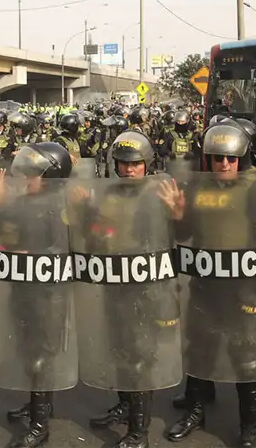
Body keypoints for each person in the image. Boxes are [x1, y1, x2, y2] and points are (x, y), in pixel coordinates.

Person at [159, 123, 256, 447]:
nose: (223, 164)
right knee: (201, 350)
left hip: (245, 287)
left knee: (247, 357)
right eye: (216, 158)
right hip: (206, 284)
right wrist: (178, 214)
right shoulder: (199, 188)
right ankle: (196, 411)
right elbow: (184, 235)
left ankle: (248, 427)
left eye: (230, 158)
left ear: (241, 158)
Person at [81, 130, 180, 448]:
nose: (128, 170)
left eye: (135, 164)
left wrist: (176, 214)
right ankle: (125, 407)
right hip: (116, 286)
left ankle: (140, 432)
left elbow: (182, 239)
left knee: (139, 359)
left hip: (147, 289)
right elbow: (96, 236)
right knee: (120, 351)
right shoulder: (108, 194)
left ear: (147, 164)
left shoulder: (160, 192)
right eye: (123, 164)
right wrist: (87, 212)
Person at [0, 142, 74, 448]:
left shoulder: (61, 207)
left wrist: (32, 254)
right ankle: (40, 403)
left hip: (48, 294)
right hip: (23, 289)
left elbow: (64, 249)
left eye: (34, 174)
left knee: (41, 356)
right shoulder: (23, 202)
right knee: (27, 351)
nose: (26, 178)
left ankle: (40, 424)